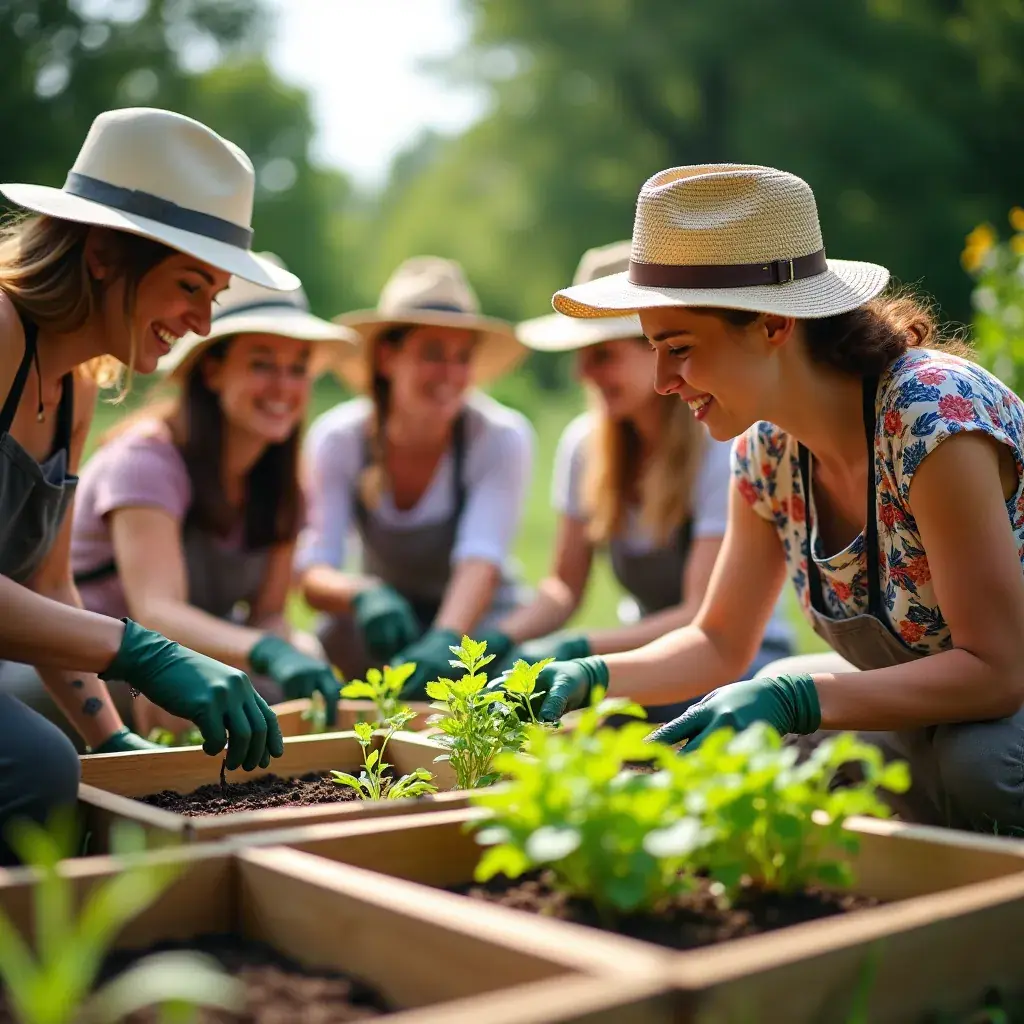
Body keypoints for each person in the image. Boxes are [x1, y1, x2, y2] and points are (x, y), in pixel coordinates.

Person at [518, 162, 1024, 833]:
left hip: (999, 702)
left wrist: (793, 695)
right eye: (652, 349)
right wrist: (590, 674)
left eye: (679, 348)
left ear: (771, 326)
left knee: (978, 768)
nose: (664, 380)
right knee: (767, 752)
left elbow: (997, 671)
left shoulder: (930, 418)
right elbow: (719, 640)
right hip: (937, 703)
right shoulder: (766, 454)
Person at [0, 106, 288, 857]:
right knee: (34, 766)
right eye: (190, 285)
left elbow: (49, 583)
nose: (200, 323)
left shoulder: (76, 387)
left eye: (214, 295)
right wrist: (142, 651)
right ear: (103, 254)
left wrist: (116, 737)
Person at [492, 241, 792, 720]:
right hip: (646, 661)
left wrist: (580, 649)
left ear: (653, 349)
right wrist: (504, 637)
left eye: (601, 355)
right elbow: (564, 586)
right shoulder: (584, 445)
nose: (584, 373)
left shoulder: (719, 445)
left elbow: (700, 614)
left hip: (740, 666)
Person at [69, 256, 356, 735]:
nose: (284, 387)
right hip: (94, 666)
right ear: (212, 371)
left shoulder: (284, 480)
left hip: (187, 659)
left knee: (304, 663)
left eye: (298, 368)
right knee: (171, 697)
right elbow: (156, 612)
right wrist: (265, 651)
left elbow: (268, 613)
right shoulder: (147, 459)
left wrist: (292, 651)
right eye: (262, 364)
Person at [296, 256, 534, 696]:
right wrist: (363, 594)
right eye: (432, 354)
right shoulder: (340, 439)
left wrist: (446, 639)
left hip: (477, 624)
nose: (450, 375)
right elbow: (314, 570)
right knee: (328, 646)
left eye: (462, 358)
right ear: (387, 357)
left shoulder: (498, 436)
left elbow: (480, 559)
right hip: (386, 626)